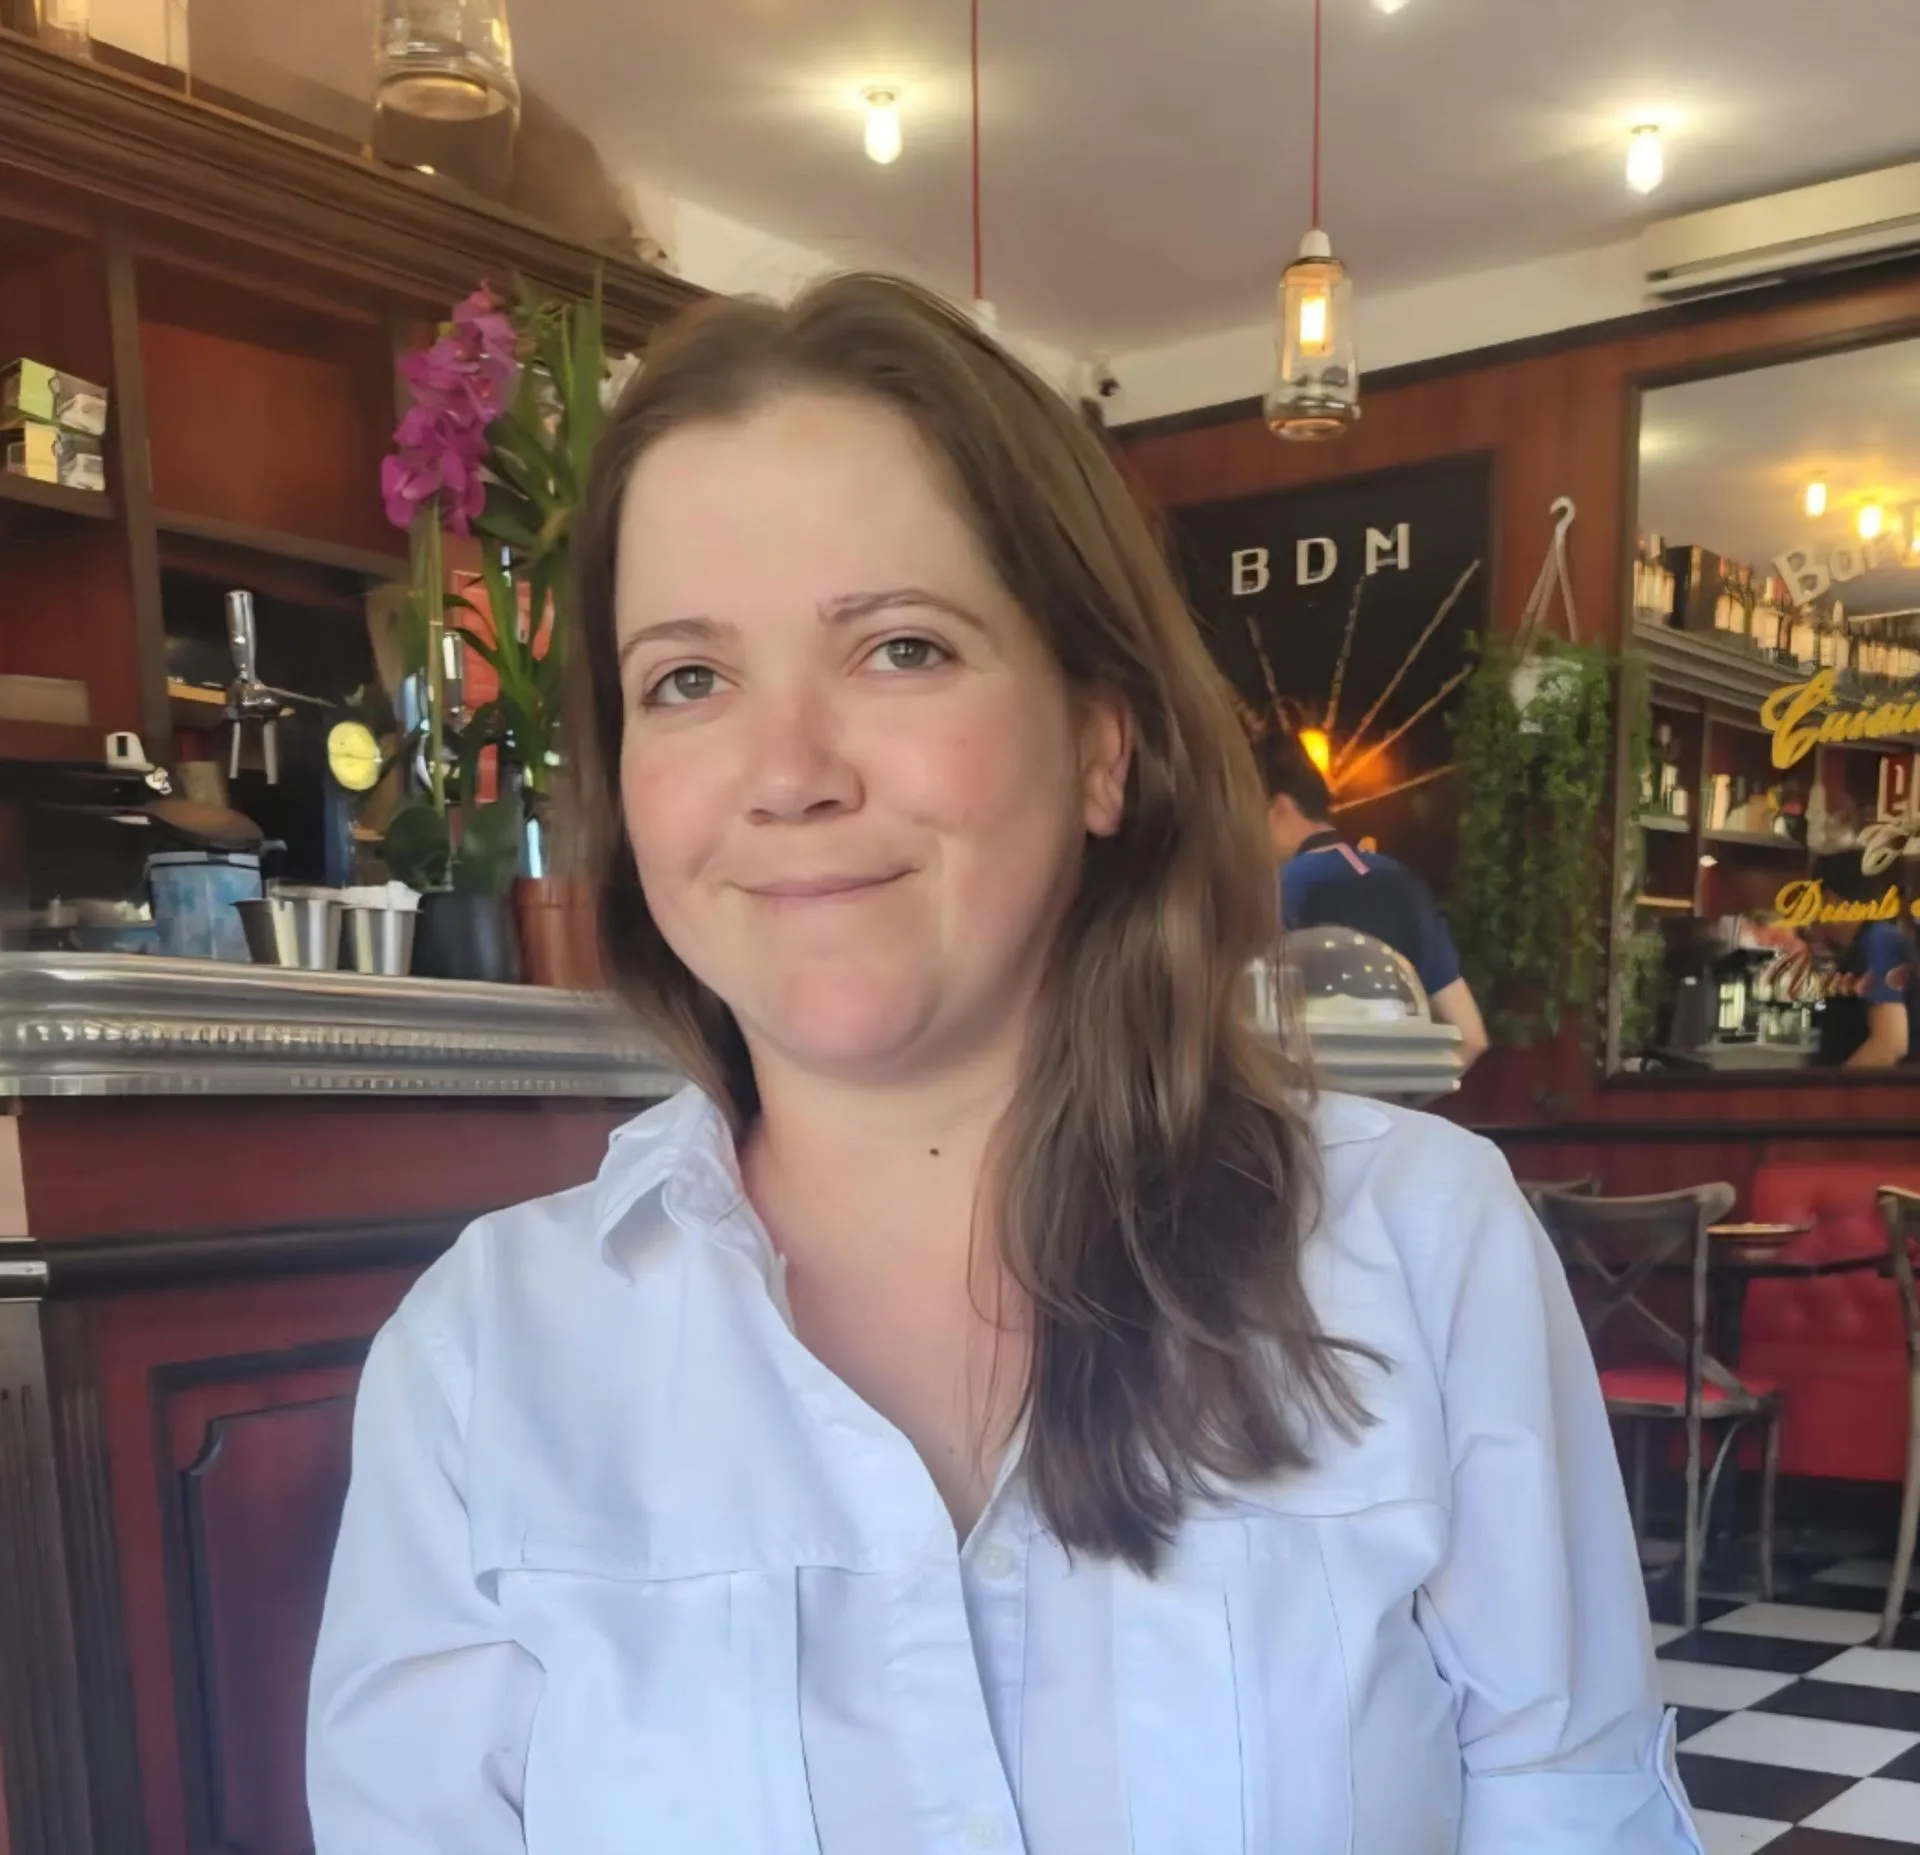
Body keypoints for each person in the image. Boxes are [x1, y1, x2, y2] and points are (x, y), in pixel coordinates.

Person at [308, 276, 1698, 1854]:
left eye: (902, 647)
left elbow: (1575, 1816)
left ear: (1102, 743)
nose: (788, 772)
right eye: (688, 678)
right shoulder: (486, 1357)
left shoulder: (1422, 1251)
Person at [1258, 728, 1490, 1070]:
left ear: (1280, 809)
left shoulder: (1276, 889)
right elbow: (1470, 1038)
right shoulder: (1402, 883)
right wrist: (1400, 1100)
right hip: (1389, 1111)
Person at [1808, 849, 1918, 1069]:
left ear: (1830, 899)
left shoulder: (1878, 941)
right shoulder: (1873, 939)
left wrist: (1832, 1097)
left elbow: (1890, 1043)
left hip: (1876, 1099)